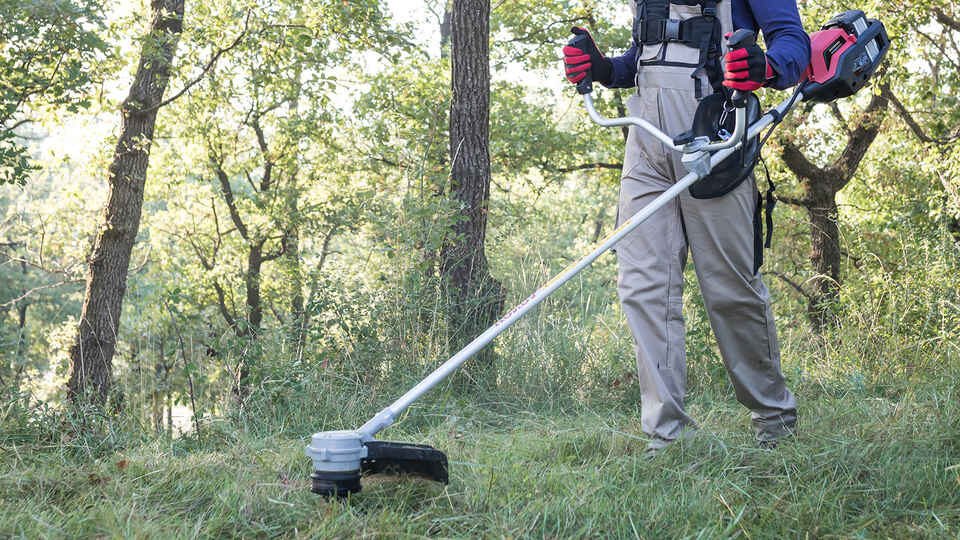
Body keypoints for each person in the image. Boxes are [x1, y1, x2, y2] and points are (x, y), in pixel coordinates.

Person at [562, 1, 810, 453]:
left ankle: (774, 420)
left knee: (730, 289)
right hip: (646, 143)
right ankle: (665, 437)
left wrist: (765, 66)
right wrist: (601, 67)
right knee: (643, 285)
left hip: (717, 135)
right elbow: (641, 58)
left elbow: (796, 47)